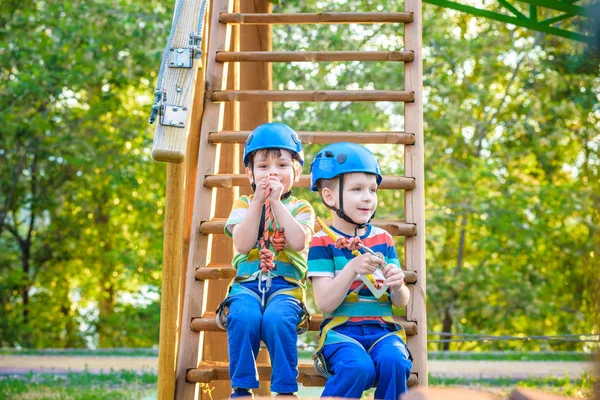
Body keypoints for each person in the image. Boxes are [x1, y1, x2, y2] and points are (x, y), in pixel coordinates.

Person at [217, 122, 315, 398]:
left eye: (282, 165)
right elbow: (242, 242)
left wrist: (277, 203)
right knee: (243, 316)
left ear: (296, 171)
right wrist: (260, 202)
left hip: (285, 288)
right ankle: (242, 388)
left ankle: (285, 390)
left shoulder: (302, 208)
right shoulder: (243, 205)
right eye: (263, 167)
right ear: (250, 173)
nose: (273, 172)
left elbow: (298, 241)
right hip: (247, 286)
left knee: (277, 319)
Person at [307, 142, 413, 400]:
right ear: (329, 196)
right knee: (358, 368)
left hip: (381, 330)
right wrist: (352, 269)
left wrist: (398, 286)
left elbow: (400, 302)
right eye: (357, 189)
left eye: (373, 190)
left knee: (395, 362)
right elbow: (325, 302)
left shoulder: (383, 239)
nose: (368, 197)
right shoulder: (321, 242)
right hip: (341, 333)